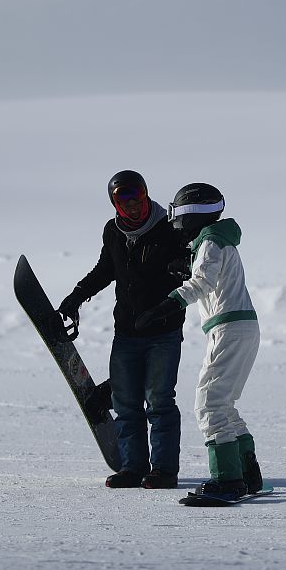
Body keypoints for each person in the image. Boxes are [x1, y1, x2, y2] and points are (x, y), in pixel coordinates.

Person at [57, 170, 190, 489]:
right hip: (126, 332)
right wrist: (76, 296)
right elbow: (106, 270)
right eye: (124, 199)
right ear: (114, 203)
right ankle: (133, 468)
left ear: (146, 194)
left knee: (159, 401)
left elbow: (190, 264)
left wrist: (180, 267)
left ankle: (164, 471)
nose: (133, 205)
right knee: (127, 402)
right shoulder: (113, 232)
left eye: (138, 196)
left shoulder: (169, 229)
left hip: (163, 332)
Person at [136, 183, 263, 501]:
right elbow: (209, 274)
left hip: (229, 329)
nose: (174, 220)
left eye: (176, 212)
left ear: (191, 213)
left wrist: (165, 306)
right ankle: (248, 475)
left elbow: (203, 282)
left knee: (208, 405)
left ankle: (227, 480)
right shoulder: (218, 241)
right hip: (243, 327)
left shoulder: (210, 242)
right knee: (225, 405)